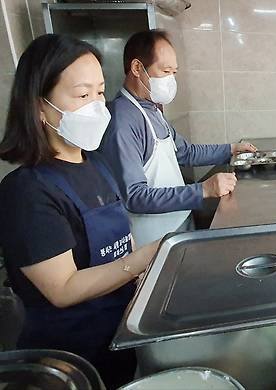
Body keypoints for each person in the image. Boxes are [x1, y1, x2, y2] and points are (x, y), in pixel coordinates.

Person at [0, 34, 160, 389]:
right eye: (82, 95)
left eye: (101, 92)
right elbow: (63, 288)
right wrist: (148, 257)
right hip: (70, 360)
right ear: (39, 106)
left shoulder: (96, 165)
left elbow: (123, 239)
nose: (98, 105)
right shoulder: (27, 190)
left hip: (118, 336)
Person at [99, 30, 255, 248]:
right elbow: (134, 196)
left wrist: (231, 149)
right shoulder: (122, 121)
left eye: (174, 72)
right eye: (165, 71)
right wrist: (202, 190)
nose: (171, 80)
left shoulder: (151, 110)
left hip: (178, 225)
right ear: (137, 68)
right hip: (153, 241)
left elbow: (185, 152)